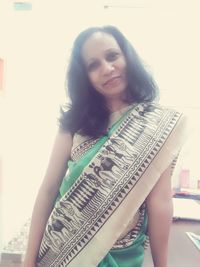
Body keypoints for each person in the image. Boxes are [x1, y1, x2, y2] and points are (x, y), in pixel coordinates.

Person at [23, 25, 187, 267]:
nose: (107, 69)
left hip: (124, 255)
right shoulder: (74, 123)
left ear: (127, 56)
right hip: (64, 252)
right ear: (85, 77)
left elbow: (160, 202)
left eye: (112, 56)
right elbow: (48, 190)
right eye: (93, 65)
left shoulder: (157, 125)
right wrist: (28, 261)